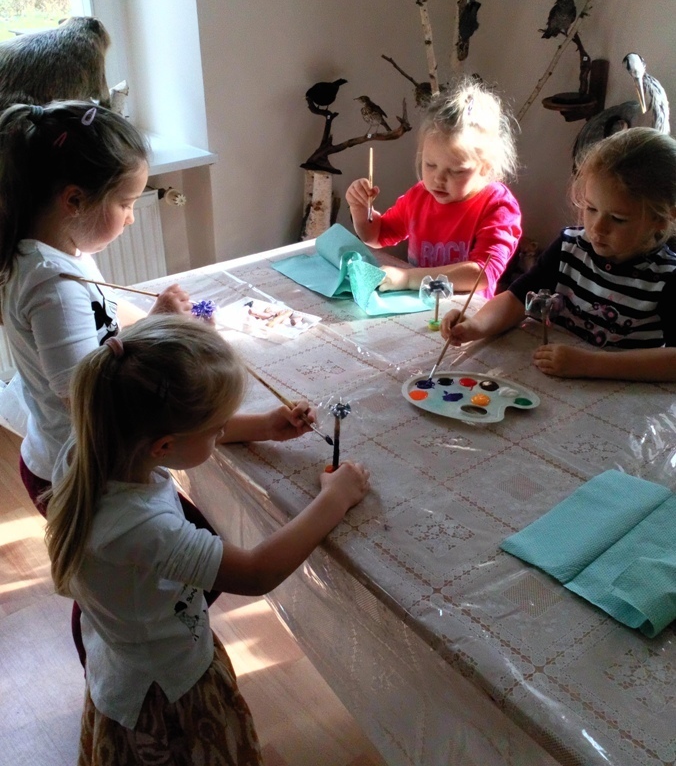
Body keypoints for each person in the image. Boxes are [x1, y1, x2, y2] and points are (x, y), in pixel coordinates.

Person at [46, 315, 370, 766]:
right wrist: (335, 499)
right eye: (217, 428)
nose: (222, 432)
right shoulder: (142, 529)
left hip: (132, 653)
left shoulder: (97, 446)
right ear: (163, 446)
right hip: (167, 689)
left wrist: (263, 426)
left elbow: (183, 434)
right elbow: (256, 573)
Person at [0, 101, 191, 513]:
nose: (131, 219)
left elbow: (103, 312)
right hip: (77, 474)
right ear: (75, 200)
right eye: (126, 204)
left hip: (75, 457)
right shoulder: (53, 286)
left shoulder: (61, 252)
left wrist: (157, 323)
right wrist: (156, 326)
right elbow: (87, 395)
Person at [441, 128, 676, 381]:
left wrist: (590, 364)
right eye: (591, 208)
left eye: (618, 219)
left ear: (662, 219)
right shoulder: (570, 247)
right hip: (554, 381)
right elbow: (516, 299)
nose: (597, 228)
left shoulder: (668, 277)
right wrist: (475, 326)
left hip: (622, 395)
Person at [345, 79, 522, 299]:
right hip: (416, 307)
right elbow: (377, 236)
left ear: (485, 166)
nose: (438, 179)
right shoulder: (420, 196)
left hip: (463, 315)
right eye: (430, 165)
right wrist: (360, 209)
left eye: (456, 171)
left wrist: (408, 278)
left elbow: (482, 274)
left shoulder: (497, 205)